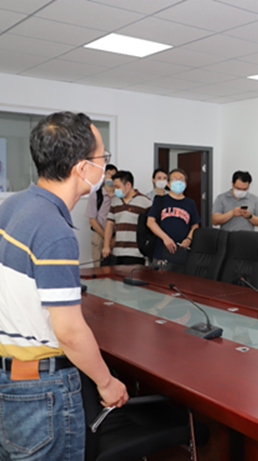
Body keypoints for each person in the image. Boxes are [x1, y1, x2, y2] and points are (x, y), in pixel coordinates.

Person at [0, 112, 128, 460]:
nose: (105, 166)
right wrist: (107, 383)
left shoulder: (14, 206)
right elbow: (70, 333)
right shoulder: (53, 229)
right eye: (103, 157)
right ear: (82, 167)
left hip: (11, 378)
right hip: (41, 392)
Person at [147, 168, 201, 269]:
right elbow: (150, 222)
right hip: (161, 252)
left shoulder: (190, 203)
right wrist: (165, 238)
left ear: (186, 184)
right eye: (175, 179)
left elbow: (195, 225)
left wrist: (189, 239)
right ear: (168, 184)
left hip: (181, 253)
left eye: (181, 180)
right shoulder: (160, 200)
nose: (178, 182)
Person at [102, 170, 152, 265]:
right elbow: (110, 224)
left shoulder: (145, 202)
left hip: (136, 253)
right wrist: (106, 246)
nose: (115, 190)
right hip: (117, 252)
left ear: (128, 185)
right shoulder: (115, 202)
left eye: (118, 187)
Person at [85, 163, 117, 267]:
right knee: (99, 268)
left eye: (113, 174)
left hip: (116, 237)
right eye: (108, 174)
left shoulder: (120, 195)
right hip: (100, 235)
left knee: (116, 268)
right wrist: (107, 237)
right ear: (103, 176)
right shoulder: (96, 195)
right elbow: (92, 221)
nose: (111, 177)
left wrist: (114, 239)